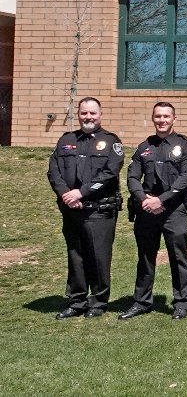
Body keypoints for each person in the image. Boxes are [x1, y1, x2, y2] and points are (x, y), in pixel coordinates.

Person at [119, 102, 187, 320]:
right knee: (145, 257)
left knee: (178, 257)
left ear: (174, 119)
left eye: (166, 116)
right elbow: (132, 176)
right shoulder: (144, 146)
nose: (162, 120)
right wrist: (144, 199)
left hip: (174, 211)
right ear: (153, 119)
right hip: (146, 211)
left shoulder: (186, 146)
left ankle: (182, 303)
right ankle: (142, 301)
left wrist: (160, 200)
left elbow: (184, 180)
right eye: (158, 116)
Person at [48, 98, 124, 320]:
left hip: (99, 210)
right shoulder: (66, 140)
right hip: (71, 209)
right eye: (84, 113)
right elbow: (54, 171)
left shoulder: (111, 142)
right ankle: (77, 301)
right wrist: (66, 195)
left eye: (92, 113)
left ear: (100, 115)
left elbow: (110, 174)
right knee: (76, 256)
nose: (88, 117)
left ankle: (98, 301)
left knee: (99, 257)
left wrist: (81, 193)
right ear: (78, 114)